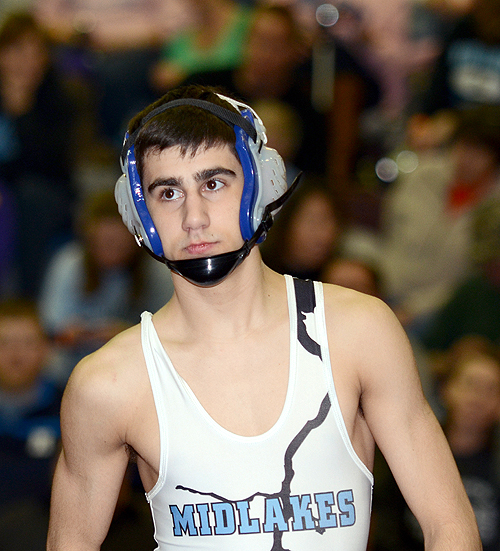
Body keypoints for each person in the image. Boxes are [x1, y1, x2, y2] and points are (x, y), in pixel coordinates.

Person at [47, 84, 480, 550]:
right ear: (138, 213)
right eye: (168, 192)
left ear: (263, 183)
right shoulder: (109, 384)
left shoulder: (358, 333)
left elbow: (449, 526)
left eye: (213, 184)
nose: (194, 217)